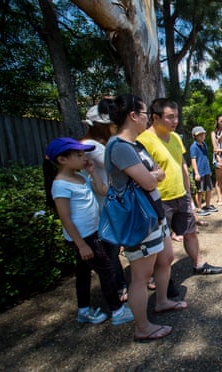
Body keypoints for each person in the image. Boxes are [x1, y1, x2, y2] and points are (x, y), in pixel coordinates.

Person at [106, 94, 184, 341]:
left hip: (154, 213)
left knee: (166, 257)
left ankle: (161, 301)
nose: (145, 118)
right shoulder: (119, 147)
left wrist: (154, 175)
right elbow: (150, 179)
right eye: (142, 113)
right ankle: (142, 328)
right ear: (132, 116)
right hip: (139, 219)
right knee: (140, 276)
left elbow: (153, 175)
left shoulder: (136, 145)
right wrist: (155, 175)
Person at [43, 137, 134, 326]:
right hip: (83, 238)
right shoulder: (60, 185)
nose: (84, 157)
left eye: (84, 153)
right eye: (78, 155)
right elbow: (65, 218)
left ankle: (83, 310)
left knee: (83, 273)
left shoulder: (81, 177)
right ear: (62, 160)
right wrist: (82, 244)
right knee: (107, 270)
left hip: (92, 233)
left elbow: (102, 190)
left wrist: (92, 172)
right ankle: (117, 311)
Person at [137, 98, 222, 275]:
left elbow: (182, 164)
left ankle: (198, 264)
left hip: (181, 195)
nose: (175, 121)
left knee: (190, 232)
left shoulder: (175, 137)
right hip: (158, 199)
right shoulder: (143, 140)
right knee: (161, 240)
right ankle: (157, 277)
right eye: (170, 117)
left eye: (176, 117)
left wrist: (189, 193)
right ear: (155, 117)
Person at [80, 100, 127, 302]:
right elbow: (116, 163)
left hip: (104, 203)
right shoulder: (91, 146)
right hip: (100, 205)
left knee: (112, 249)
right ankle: (118, 287)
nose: (112, 128)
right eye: (109, 125)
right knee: (110, 250)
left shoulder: (96, 145)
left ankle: (119, 285)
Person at [190, 126, 218, 215]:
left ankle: (208, 205)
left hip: (206, 171)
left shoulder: (204, 144)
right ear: (195, 136)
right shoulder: (194, 146)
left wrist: (209, 170)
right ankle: (198, 208)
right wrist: (196, 173)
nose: (202, 136)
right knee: (200, 190)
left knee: (209, 189)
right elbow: (193, 159)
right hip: (200, 172)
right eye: (199, 135)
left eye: (203, 134)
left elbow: (205, 158)